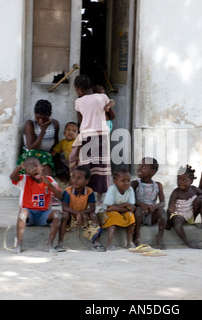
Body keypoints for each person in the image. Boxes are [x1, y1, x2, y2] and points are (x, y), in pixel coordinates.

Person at [10, 157, 67, 254]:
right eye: (30, 168)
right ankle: (18, 245)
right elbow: (12, 177)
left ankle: (50, 245)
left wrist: (49, 185)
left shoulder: (49, 180)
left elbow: (60, 196)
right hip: (29, 215)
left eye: (36, 166)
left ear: (42, 167)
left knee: (57, 214)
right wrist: (20, 167)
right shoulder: (24, 179)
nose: (34, 169)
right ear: (27, 172)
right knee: (22, 213)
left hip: (44, 214)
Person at [72, 75, 111, 204]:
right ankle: (100, 197)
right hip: (102, 134)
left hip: (87, 135)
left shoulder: (79, 101)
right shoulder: (103, 97)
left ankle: (86, 194)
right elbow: (111, 115)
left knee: (86, 166)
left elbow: (80, 121)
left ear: (79, 89)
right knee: (101, 166)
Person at [62, 165, 105, 252]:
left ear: (86, 181)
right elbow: (64, 207)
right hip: (70, 217)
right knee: (65, 215)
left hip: (83, 217)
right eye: (73, 177)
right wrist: (77, 213)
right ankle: (60, 242)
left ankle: (96, 242)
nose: (75, 180)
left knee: (93, 215)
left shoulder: (89, 191)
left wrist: (81, 213)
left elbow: (92, 208)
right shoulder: (68, 191)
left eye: (79, 178)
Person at [166, 165, 202, 249]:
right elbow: (171, 208)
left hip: (191, 215)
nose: (181, 182)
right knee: (176, 221)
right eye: (179, 180)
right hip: (179, 215)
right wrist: (168, 220)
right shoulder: (176, 192)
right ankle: (187, 242)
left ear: (191, 181)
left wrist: (198, 197)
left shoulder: (194, 189)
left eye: (184, 180)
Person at [131, 157, 167, 249]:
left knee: (162, 212)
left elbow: (163, 202)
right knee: (138, 210)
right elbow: (131, 200)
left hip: (150, 214)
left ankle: (160, 236)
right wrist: (139, 204)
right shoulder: (135, 183)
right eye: (139, 165)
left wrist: (155, 207)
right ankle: (136, 235)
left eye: (143, 167)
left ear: (152, 172)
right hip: (137, 214)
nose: (139, 168)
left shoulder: (157, 185)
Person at [18, 99, 60, 177]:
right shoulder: (30, 124)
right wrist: (43, 131)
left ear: (49, 115)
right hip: (30, 154)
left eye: (43, 118)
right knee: (36, 160)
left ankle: (46, 186)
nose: (40, 121)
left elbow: (56, 145)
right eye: (37, 117)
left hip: (46, 155)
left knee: (46, 170)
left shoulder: (55, 124)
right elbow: (31, 147)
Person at [98, 167, 136, 250]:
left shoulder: (130, 190)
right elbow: (108, 208)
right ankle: (109, 244)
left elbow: (132, 208)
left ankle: (129, 242)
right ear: (115, 182)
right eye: (123, 180)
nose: (126, 183)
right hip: (106, 213)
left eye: (128, 180)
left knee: (130, 215)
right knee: (114, 214)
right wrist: (125, 204)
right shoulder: (112, 189)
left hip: (120, 212)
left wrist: (115, 207)